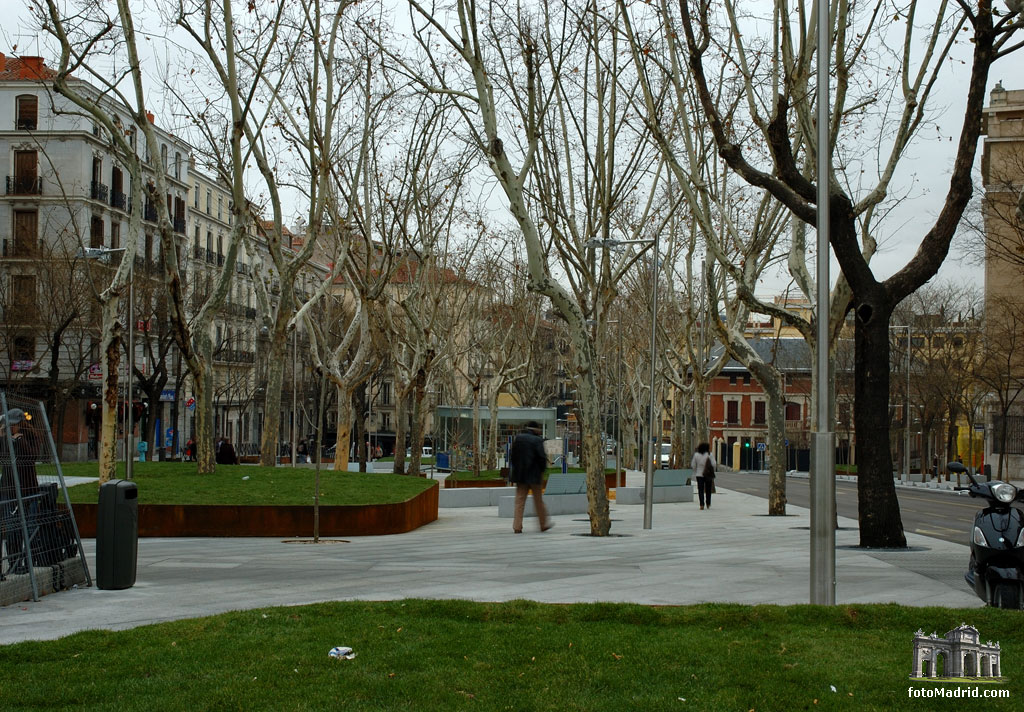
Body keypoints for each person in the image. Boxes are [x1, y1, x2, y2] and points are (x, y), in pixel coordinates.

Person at [1, 408, 41, 574]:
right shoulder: (5, 439)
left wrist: (19, 440)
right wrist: (3, 437)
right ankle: (14, 562)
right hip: (8, 488)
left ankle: (30, 561)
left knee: (29, 528)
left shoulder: (30, 437)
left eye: (14, 426)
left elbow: (32, 457)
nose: (12, 428)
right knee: (12, 529)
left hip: (27, 488)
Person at [508, 421, 553, 534]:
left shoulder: (518, 439)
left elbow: (512, 455)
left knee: (519, 500)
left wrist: (516, 468)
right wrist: (542, 470)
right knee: (538, 500)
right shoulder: (537, 440)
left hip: (520, 474)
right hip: (534, 474)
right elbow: (542, 458)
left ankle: (517, 526)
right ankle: (543, 524)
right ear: (535, 429)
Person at [690, 442, 716, 511]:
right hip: (708, 474)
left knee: (700, 490)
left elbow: (693, 465)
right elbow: (714, 464)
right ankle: (708, 503)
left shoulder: (696, 455)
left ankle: (701, 504)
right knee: (708, 489)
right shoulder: (710, 455)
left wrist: (696, 470)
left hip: (699, 475)